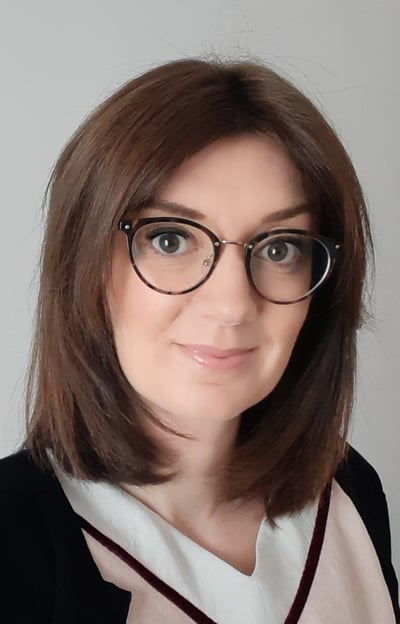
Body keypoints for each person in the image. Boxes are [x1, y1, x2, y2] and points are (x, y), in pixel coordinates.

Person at [0, 57, 398, 624]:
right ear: (84, 266)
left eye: (280, 248)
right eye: (170, 239)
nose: (232, 306)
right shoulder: (14, 541)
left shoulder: (349, 492)